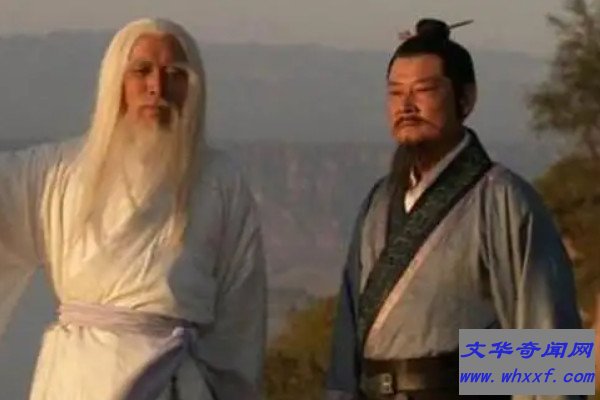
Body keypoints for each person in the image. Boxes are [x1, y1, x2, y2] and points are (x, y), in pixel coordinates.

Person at [0, 18, 266, 400]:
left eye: (174, 74)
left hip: (176, 382)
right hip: (79, 381)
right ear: (116, 82)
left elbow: (241, 311)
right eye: (141, 71)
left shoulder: (221, 180)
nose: (157, 87)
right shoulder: (59, 171)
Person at [326, 18, 582, 400]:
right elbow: (346, 350)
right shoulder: (377, 204)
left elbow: (551, 355)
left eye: (424, 90)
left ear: (466, 99)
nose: (406, 106)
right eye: (395, 93)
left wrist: (457, 372)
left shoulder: (503, 199)